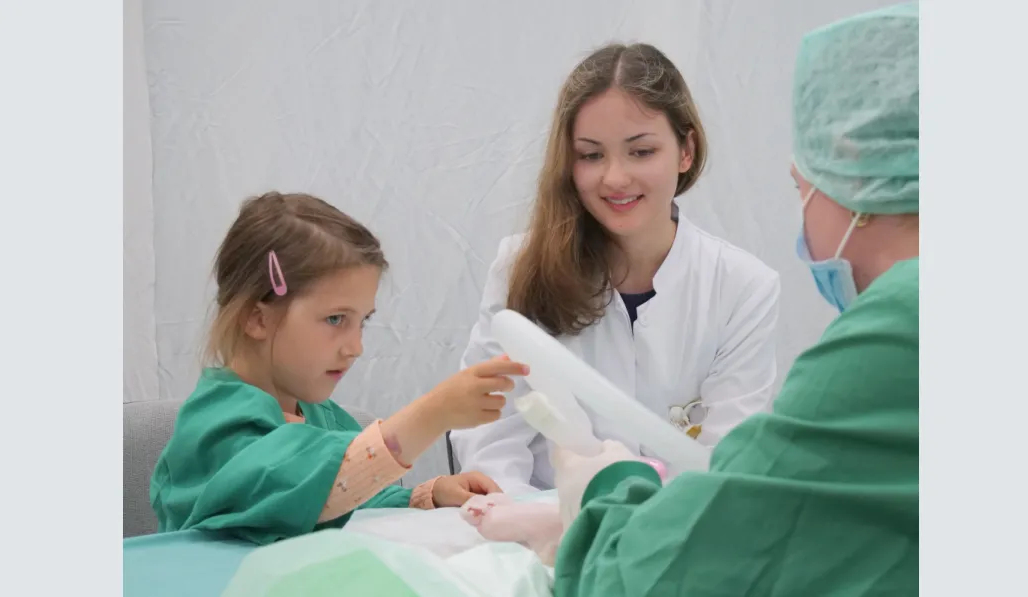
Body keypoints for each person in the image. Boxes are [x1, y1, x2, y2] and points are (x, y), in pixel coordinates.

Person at [550, 3, 920, 595]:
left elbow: (660, 574)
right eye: (591, 154)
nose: (615, 177)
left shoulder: (898, 329)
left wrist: (607, 481)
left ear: (858, 178)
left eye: (800, 187)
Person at [450, 42, 782, 495]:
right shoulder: (520, 268)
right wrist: (545, 527)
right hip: (541, 535)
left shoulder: (744, 288)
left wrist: (648, 537)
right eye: (591, 155)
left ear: (686, 150)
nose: (614, 178)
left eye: (641, 151)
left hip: (677, 541)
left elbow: (726, 460)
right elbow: (489, 442)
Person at [150, 192, 530, 545]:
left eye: (362, 321)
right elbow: (311, 486)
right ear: (257, 318)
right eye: (335, 319)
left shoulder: (318, 414)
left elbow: (354, 503)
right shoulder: (215, 428)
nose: (355, 348)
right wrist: (433, 413)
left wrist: (427, 496)